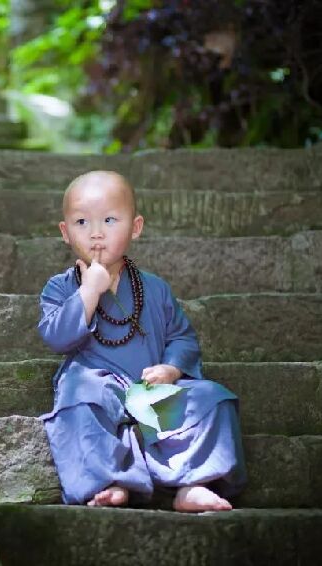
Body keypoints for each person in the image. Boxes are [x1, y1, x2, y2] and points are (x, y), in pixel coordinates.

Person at [37, 171, 247, 512]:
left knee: (213, 398)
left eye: (108, 220)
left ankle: (191, 483)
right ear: (65, 232)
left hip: (151, 393)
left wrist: (171, 368)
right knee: (76, 400)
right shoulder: (60, 288)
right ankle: (111, 481)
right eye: (81, 222)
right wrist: (89, 291)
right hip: (97, 388)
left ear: (135, 227)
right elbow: (56, 336)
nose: (96, 233)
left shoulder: (155, 288)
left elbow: (182, 337)